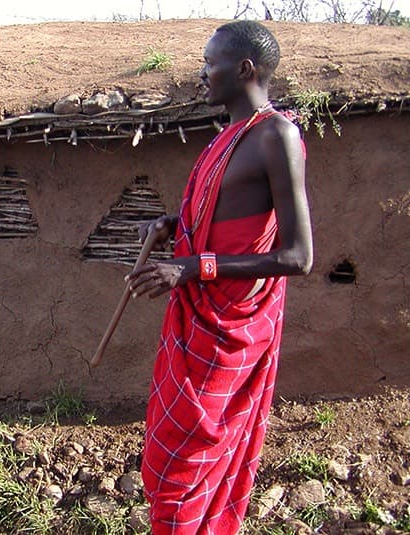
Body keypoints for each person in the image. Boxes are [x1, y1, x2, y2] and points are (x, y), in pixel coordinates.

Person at [125, 20, 314, 534]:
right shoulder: (226, 139)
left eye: (211, 63)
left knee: (190, 464)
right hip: (198, 321)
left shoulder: (277, 136)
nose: (203, 73)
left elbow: (298, 256)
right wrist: (174, 225)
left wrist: (194, 267)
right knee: (169, 459)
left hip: (230, 326)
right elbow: (222, 219)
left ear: (245, 68)